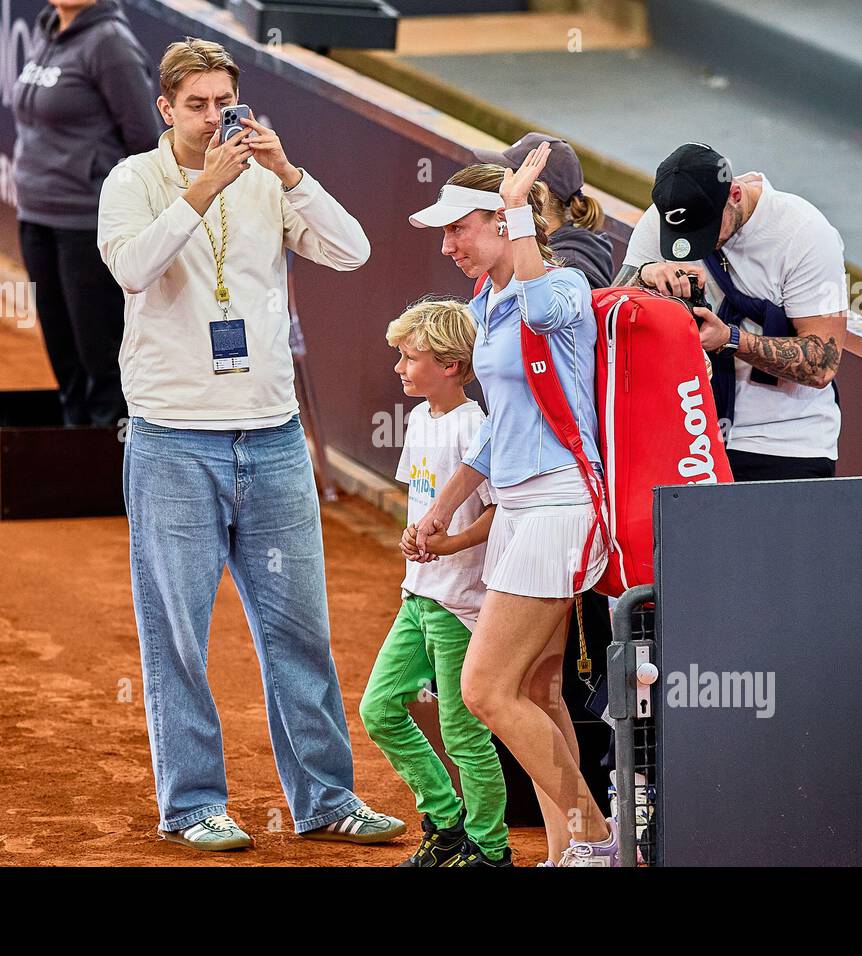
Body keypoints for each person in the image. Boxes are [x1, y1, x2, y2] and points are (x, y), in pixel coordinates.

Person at [97, 38, 403, 852]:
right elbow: (132, 266)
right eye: (194, 104)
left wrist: (290, 171)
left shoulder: (268, 180)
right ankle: (193, 803)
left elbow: (352, 249)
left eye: (222, 102)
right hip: (172, 444)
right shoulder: (134, 181)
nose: (212, 117)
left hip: (271, 444)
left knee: (300, 630)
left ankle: (328, 800)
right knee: (179, 641)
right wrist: (202, 189)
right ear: (165, 108)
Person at [408, 145, 623, 867]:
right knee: (537, 689)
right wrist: (444, 509)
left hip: (561, 505)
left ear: (501, 224)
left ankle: (593, 831)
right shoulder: (485, 303)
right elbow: (499, 431)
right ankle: (568, 853)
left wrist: (516, 209)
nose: (448, 246)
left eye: (459, 229)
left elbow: (536, 301)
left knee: (483, 689)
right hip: (520, 509)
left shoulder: (557, 287)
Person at [359, 298, 511, 868]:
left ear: (450, 365)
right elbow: (419, 502)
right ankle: (445, 823)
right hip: (415, 596)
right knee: (380, 709)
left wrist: (448, 544)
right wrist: (413, 538)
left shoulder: (479, 428)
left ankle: (491, 851)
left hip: (461, 607)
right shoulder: (419, 420)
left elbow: (498, 513)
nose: (399, 367)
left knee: (464, 734)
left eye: (409, 356)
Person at [616, 143, 848, 481]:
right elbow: (609, 307)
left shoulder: (805, 233)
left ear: (735, 194)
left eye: (705, 230)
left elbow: (823, 363)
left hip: (784, 442)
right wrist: (645, 275)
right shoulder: (664, 218)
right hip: (688, 432)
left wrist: (730, 340)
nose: (697, 244)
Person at [13, 0, 160, 426]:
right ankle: (73, 458)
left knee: (100, 356)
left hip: (87, 225)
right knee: (63, 354)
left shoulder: (111, 44)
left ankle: (109, 475)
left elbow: (144, 139)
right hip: (36, 217)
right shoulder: (48, 31)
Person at [474, 132, 613, 289]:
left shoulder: (571, 264)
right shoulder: (538, 248)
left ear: (539, 193)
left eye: (511, 180)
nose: (503, 188)